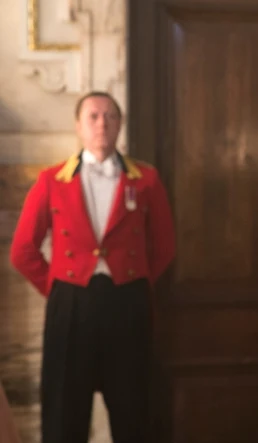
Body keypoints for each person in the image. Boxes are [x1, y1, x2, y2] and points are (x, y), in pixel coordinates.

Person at [10, 91, 176, 443]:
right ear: (79, 126)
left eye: (110, 116)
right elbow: (22, 250)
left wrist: (134, 280)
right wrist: (57, 287)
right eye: (93, 117)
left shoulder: (146, 179)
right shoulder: (51, 180)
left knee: (134, 409)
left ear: (120, 124)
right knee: (64, 411)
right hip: (70, 303)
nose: (102, 124)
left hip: (127, 302)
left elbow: (164, 247)